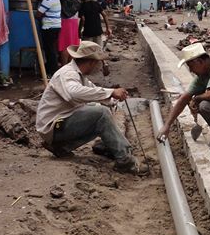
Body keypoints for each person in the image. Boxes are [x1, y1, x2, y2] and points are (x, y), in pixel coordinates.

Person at [35, 41, 143, 173]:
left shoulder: (79, 75)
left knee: (101, 108)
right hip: (53, 127)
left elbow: (93, 91)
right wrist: (111, 92)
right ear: (91, 62)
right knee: (101, 113)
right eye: (98, 62)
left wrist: (112, 98)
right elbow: (73, 93)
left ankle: (65, 146)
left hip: (61, 122)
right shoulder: (67, 74)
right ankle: (125, 161)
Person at [37, 0, 62, 77]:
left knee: (49, 49)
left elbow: (38, 14)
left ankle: (52, 71)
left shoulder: (48, 0)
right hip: (56, 26)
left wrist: (43, 16)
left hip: (49, 27)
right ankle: (50, 69)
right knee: (52, 49)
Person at [56, 0, 81, 67]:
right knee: (72, 44)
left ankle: (64, 66)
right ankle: (70, 66)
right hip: (74, 21)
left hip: (64, 20)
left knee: (64, 45)